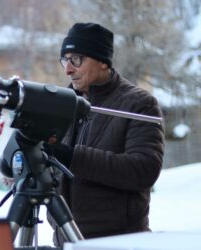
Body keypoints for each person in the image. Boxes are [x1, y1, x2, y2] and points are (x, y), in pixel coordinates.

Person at [48, 22, 164, 244]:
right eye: (65, 59)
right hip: (66, 240)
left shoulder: (139, 103)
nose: (68, 69)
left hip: (122, 242)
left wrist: (71, 157)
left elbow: (144, 169)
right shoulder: (60, 103)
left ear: (103, 61)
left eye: (77, 59)